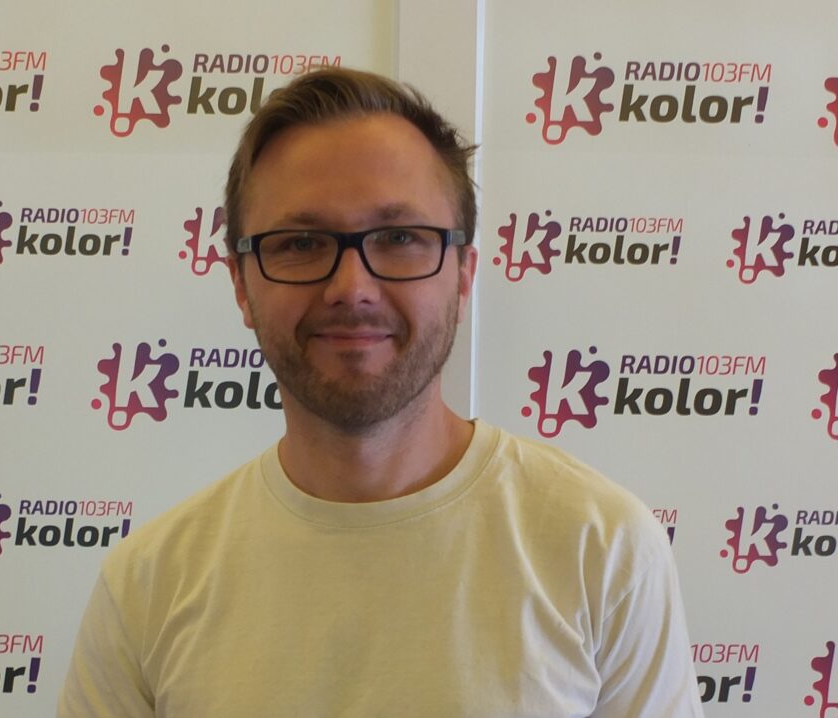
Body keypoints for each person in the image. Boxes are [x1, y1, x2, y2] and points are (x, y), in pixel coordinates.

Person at [58, 68, 703, 717]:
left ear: (463, 275)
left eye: (398, 239)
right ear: (240, 286)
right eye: (301, 243)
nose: (352, 288)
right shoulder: (146, 585)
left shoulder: (603, 549)